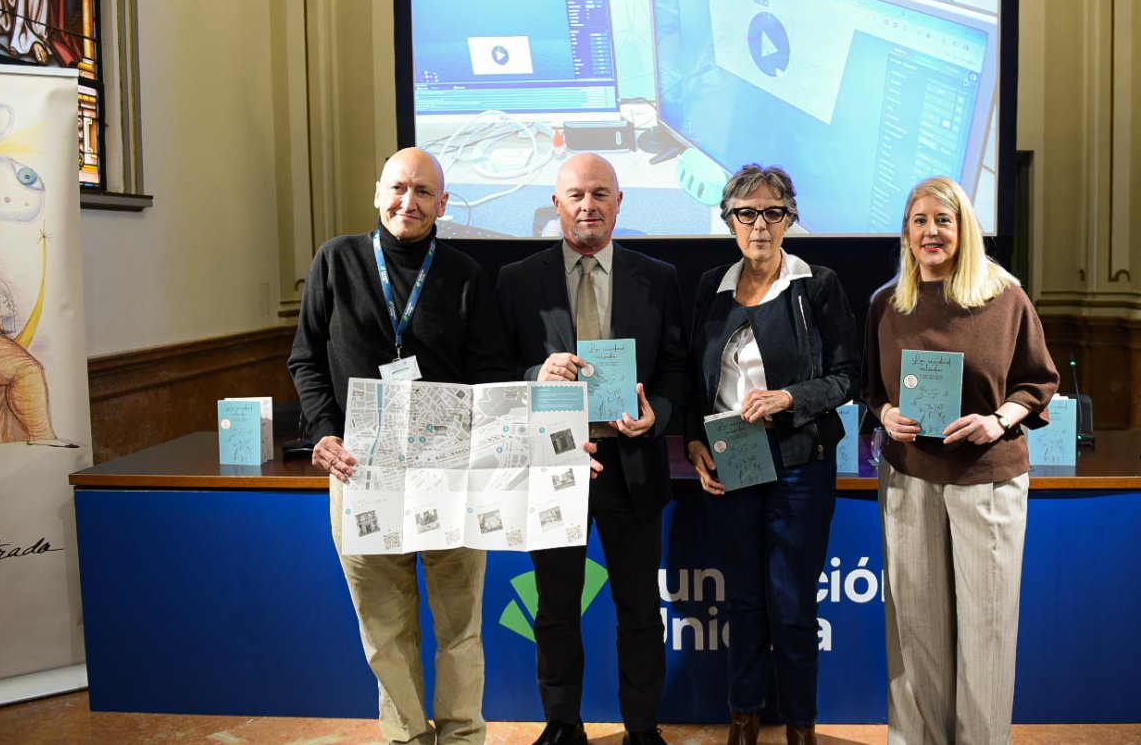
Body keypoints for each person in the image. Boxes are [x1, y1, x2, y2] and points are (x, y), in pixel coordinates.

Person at [288, 147, 513, 745]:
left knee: (460, 625)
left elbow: (488, 369)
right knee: (384, 628)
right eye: (398, 188)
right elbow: (306, 357)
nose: (407, 202)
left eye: (422, 192)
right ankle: (408, 737)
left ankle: (464, 735)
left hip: (450, 474)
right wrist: (323, 432)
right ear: (377, 192)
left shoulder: (465, 275)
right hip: (360, 470)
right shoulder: (336, 260)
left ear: (442, 204)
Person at [494, 152, 689, 745]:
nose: (588, 205)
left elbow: (678, 367)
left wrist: (659, 413)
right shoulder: (516, 280)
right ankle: (562, 725)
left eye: (601, 194)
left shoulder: (658, 277)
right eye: (576, 194)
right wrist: (535, 375)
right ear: (556, 204)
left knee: (639, 611)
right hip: (555, 464)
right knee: (554, 610)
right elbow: (494, 371)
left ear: (620, 202)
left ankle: (643, 727)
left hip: (631, 465)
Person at [863, 176, 1059, 745]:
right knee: (916, 629)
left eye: (943, 220)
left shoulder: (1005, 296)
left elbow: (1039, 382)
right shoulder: (885, 302)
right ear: (906, 231)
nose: (931, 232)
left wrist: (997, 420)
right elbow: (873, 389)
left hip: (986, 479)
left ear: (964, 228)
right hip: (908, 477)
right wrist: (885, 414)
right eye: (919, 220)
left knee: (987, 630)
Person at [683, 165, 860, 745]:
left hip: (800, 461)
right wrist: (694, 443)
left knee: (791, 604)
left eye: (773, 212)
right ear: (728, 218)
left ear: (789, 218)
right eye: (747, 213)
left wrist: (790, 397)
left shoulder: (819, 285)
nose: (760, 224)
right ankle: (743, 718)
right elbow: (693, 380)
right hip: (734, 462)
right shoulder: (710, 286)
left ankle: (801, 727)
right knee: (742, 600)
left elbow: (846, 377)